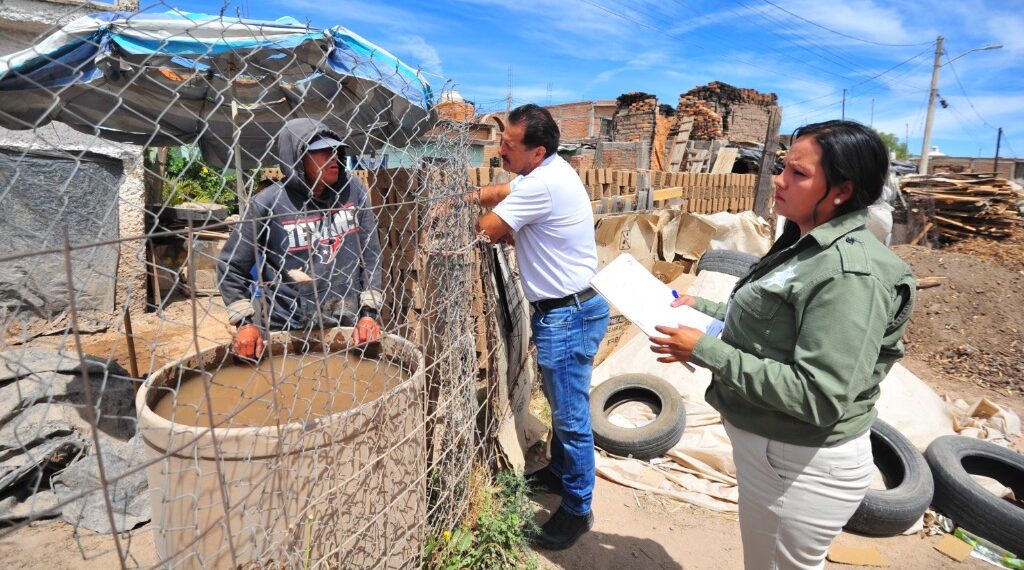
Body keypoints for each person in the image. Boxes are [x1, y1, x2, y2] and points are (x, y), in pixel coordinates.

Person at [649, 120, 916, 569]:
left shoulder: (849, 274)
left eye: (798, 173)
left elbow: (819, 395)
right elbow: (773, 324)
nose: (779, 180)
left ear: (842, 191)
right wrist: (708, 310)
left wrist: (705, 349)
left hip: (801, 467)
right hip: (779, 455)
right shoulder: (805, 242)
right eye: (782, 167)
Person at [472, 104, 609, 550]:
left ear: (537, 151)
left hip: (567, 314)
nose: (499, 150)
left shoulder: (543, 184)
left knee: (570, 417)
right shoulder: (547, 173)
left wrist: (476, 216)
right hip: (569, 309)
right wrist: (469, 196)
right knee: (560, 403)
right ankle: (558, 471)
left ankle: (577, 508)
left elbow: (486, 231)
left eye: (508, 145)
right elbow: (501, 193)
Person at [217, 118, 383, 359]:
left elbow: (371, 253)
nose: (333, 157)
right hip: (287, 325)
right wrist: (245, 323)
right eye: (321, 152)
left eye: (335, 149)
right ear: (297, 160)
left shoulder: (352, 190)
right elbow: (231, 266)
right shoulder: (267, 204)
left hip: (346, 319)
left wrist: (369, 313)